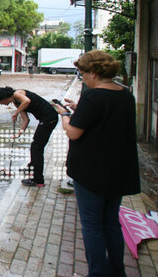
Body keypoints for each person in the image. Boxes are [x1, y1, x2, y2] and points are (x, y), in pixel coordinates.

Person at [54, 50, 139, 277]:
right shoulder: (125, 94)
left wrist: (64, 115)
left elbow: (73, 132)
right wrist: (78, 109)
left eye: (82, 73)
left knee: (92, 225)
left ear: (94, 72)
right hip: (118, 170)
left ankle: (98, 272)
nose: (82, 78)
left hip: (91, 172)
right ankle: (117, 271)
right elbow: (104, 122)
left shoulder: (93, 96)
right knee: (111, 223)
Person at [0, 87, 58, 187]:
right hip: (44, 119)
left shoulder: (17, 94)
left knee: (36, 148)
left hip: (49, 118)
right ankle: (31, 167)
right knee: (35, 146)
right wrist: (18, 133)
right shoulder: (16, 102)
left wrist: (16, 113)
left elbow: (27, 101)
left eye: (0, 102)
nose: (1, 104)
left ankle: (38, 180)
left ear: (3, 98)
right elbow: (26, 120)